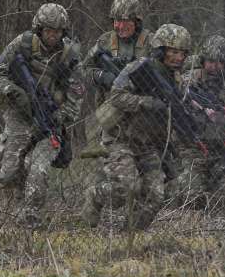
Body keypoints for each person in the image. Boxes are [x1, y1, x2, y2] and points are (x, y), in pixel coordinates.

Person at [80, 24, 191, 230]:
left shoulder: (178, 81)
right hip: (121, 139)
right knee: (126, 188)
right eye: (173, 52)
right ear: (161, 50)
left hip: (149, 144)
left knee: (155, 195)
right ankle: (94, 195)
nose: (178, 57)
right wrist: (145, 102)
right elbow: (117, 95)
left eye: (182, 53)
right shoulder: (140, 68)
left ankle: (131, 235)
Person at [0, 3, 84, 228]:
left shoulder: (69, 55)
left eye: (58, 31)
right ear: (39, 29)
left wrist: (59, 119)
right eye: (48, 30)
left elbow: (76, 98)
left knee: (37, 169)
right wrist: (13, 91)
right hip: (19, 114)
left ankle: (30, 219)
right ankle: (15, 205)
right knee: (8, 174)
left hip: (50, 120)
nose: (53, 36)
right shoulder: (22, 44)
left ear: (64, 32)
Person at [168, 34, 225, 210]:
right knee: (191, 195)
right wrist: (199, 112)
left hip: (224, 150)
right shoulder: (189, 80)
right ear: (203, 60)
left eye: (218, 62)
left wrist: (221, 117)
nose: (213, 66)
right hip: (192, 148)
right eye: (210, 61)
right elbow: (176, 105)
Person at [81, 0, 153, 104]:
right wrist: (100, 76)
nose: (120, 26)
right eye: (117, 21)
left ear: (136, 21)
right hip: (110, 104)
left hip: (142, 103)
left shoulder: (150, 41)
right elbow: (82, 70)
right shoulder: (105, 41)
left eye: (125, 21)